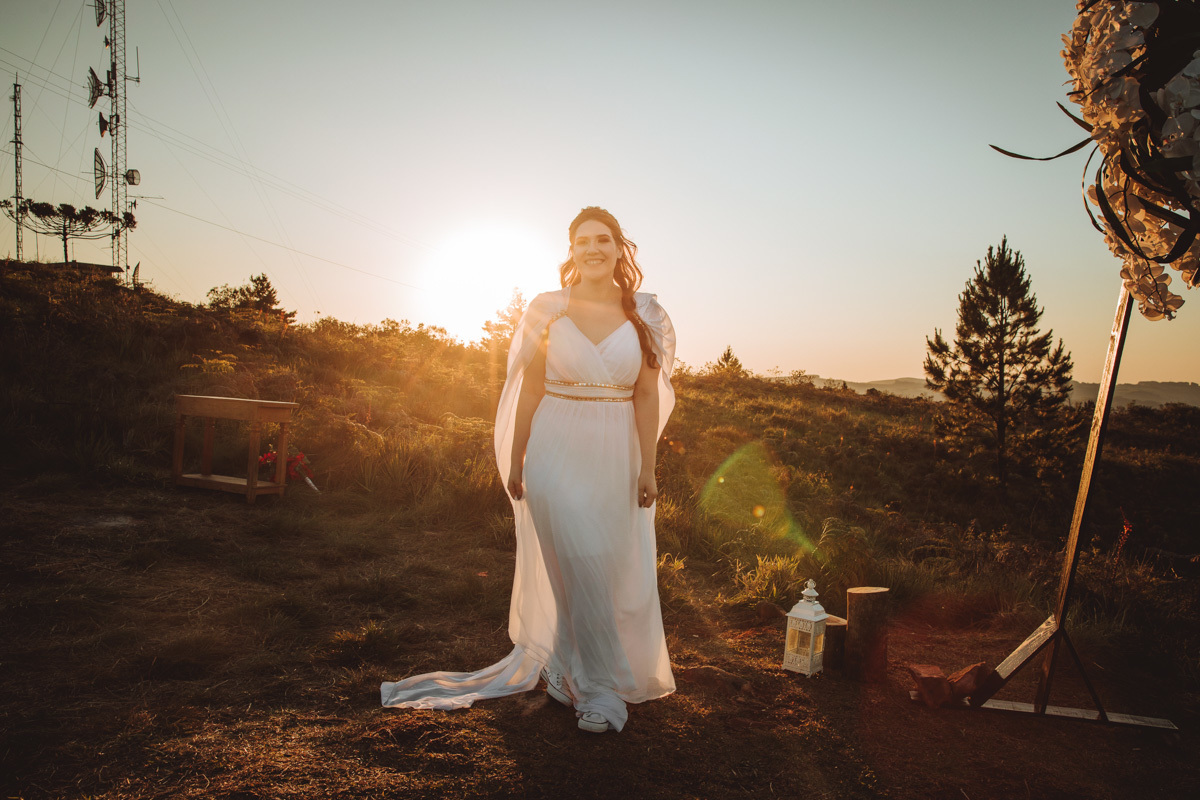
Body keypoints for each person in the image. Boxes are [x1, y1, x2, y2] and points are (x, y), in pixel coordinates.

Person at [381, 206, 677, 733]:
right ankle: (603, 690)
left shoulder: (645, 313)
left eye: (603, 239)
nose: (592, 248)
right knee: (579, 559)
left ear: (619, 248)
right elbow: (532, 388)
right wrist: (517, 456)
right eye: (582, 240)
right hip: (554, 448)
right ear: (571, 251)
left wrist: (648, 469)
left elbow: (648, 393)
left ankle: (564, 670)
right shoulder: (547, 308)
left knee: (594, 570)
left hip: (616, 453)